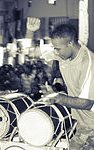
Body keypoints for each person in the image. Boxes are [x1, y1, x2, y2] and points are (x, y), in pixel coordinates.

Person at [26, 18, 94, 149]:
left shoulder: (88, 63)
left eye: (58, 49)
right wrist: (31, 32)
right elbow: (35, 54)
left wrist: (57, 97)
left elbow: (87, 102)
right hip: (83, 124)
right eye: (54, 48)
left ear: (71, 43)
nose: (55, 52)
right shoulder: (64, 54)